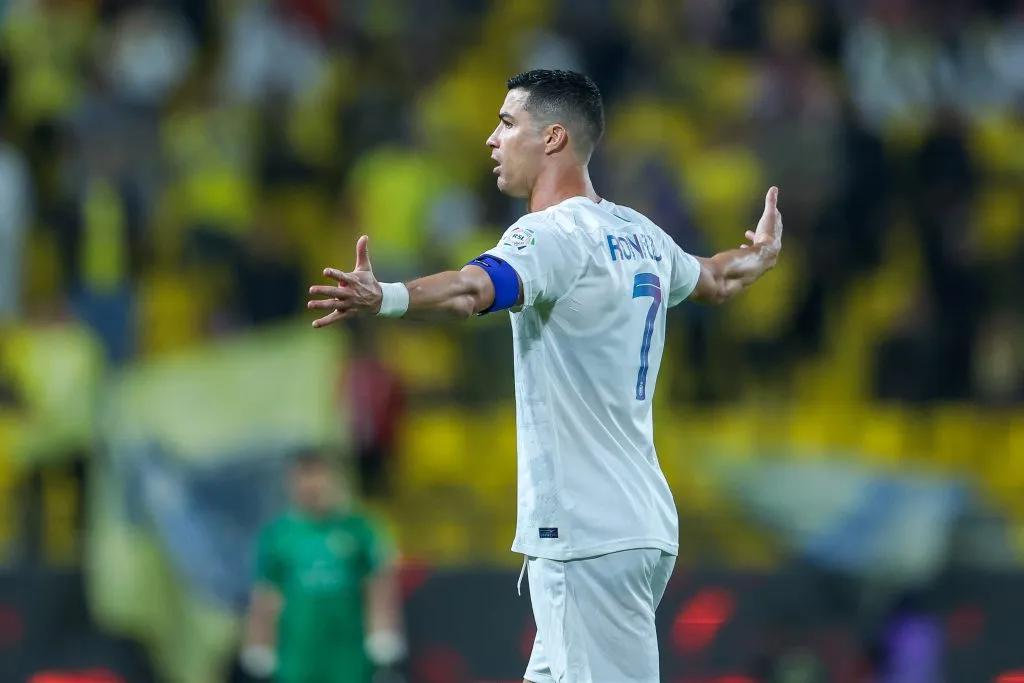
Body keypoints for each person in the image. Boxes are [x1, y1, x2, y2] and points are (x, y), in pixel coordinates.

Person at [307, 69, 783, 683]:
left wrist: (389, 296)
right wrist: (761, 256)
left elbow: (471, 290)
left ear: (553, 137)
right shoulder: (640, 234)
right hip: (629, 522)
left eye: (507, 123)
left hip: (587, 533)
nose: (491, 139)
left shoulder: (548, 235)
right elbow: (718, 278)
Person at [240, 450, 405, 683]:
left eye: (318, 481)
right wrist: (259, 640)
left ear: (335, 482)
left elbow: (377, 584)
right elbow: (267, 593)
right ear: (292, 485)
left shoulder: (360, 529)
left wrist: (382, 631)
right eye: (304, 482)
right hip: (297, 649)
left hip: (347, 647)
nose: (312, 490)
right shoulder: (277, 535)